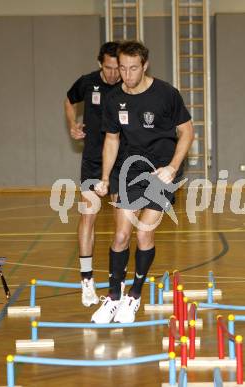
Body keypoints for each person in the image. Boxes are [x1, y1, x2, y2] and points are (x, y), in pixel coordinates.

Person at [92, 40, 194, 324]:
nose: (127, 74)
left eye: (133, 68)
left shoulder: (166, 94)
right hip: (127, 171)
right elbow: (111, 140)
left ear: (145, 65)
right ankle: (113, 297)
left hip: (161, 173)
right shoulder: (114, 100)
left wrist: (173, 168)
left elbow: (187, 133)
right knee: (121, 236)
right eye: (122, 68)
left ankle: (134, 295)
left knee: (144, 235)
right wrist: (103, 178)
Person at [65, 41, 122, 307]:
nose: (113, 74)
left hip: (122, 163)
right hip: (92, 161)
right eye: (108, 68)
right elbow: (68, 99)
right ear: (101, 63)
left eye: (117, 68)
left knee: (123, 222)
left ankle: (117, 282)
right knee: (89, 216)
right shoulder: (87, 83)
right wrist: (72, 124)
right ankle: (86, 280)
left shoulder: (129, 86)